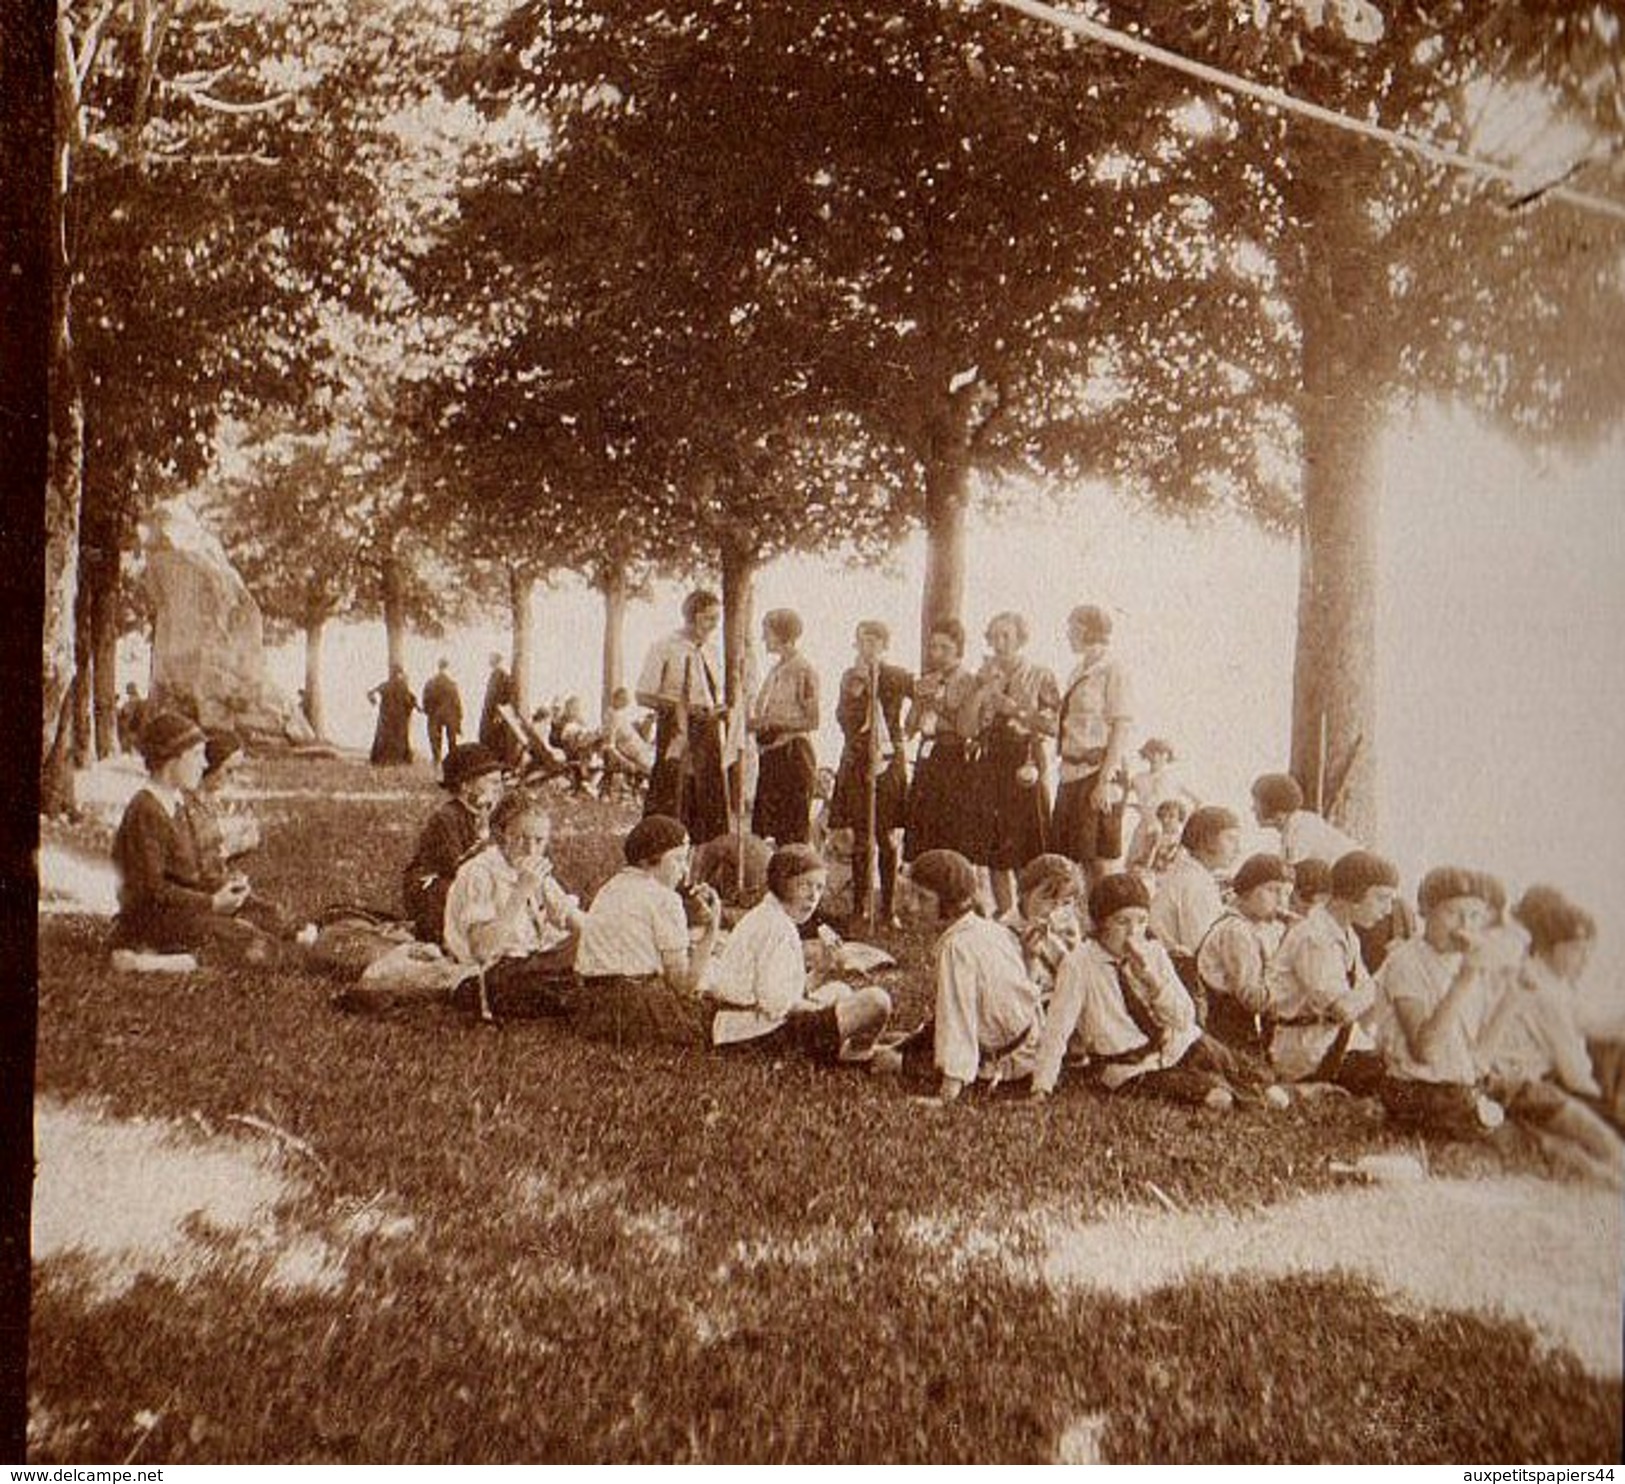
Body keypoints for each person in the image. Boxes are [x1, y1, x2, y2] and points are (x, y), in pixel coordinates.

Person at [1031, 873, 1268, 1108]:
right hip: (1127, 1065)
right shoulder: (1079, 964)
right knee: (1219, 1099)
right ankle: (1209, 1086)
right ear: (1100, 923)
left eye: (1142, 921)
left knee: (1260, 1083)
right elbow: (1057, 1030)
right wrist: (1042, 1086)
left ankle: (1247, 1083)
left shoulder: (1153, 952)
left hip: (1175, 1044)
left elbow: (1184, 1019)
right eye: (1123, 922)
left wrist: (1152, 981)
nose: (1134, 932)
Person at [1476, 886, 1625, 1186]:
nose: (1585, 960)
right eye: (1577, 950)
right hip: (1524, 1085)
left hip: (1532, 1082)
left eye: (1588, 951)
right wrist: (1607, 1105)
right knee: (1605, 1141)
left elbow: (1587, 1021)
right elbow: (1574, 1074)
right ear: (1551, 946)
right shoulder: (1542, 988)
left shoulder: (1551, 979)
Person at [108, 710, 271, 965]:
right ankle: (147, 960)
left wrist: (224, 887)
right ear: (172, 759)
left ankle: (176, 956)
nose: (205, 764)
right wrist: (211, 902)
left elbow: (188, 871)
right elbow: (151, 891)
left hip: (183, 909)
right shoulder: (146, 810)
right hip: (151, 920)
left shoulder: (176, 804)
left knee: (261, 915)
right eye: (196, 755)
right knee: (250, 942)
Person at [708, 844, 894, 1066]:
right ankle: (856, 1055)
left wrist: (822, 969)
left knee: (840, 990)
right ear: (782, 883)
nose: (813, 897)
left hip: (738, 1028)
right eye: (805, 885)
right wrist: (820, 1011)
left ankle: (852, 1048)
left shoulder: (769, 915)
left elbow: (781, 991)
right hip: (753, 1035)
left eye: (819, 887)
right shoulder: (776, 928)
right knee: (876, 1001)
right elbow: (776, 1004)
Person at [1369, 867, 1511, 1138]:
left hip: (1458, 1088)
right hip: (1416, 1092)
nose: (1464, 926)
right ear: (1425, 911)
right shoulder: (1406, 961)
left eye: (1474, 915)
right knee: (1517, 1140)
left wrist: (1511, 1000)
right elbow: (1424, 1052)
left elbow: (1477, 1057)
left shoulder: (1464, 961)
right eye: (1452, 913)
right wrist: (1465, 979)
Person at [899, 849, 1044, 1103]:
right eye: (911, 895)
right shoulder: (988, 928)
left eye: (923, 899)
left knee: (893, 1061)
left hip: (1008, 1060)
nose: (911, 906)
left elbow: (958, 1017)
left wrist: (947, 1094)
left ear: (950, 903)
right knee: (906, 1043)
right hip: (1032, 1041)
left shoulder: (957, 948)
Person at [573, 815, 723, 1044]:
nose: (684, 871)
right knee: (716, 1018)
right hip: (635, 1007)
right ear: (647, 861)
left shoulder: (611, 887)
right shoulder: (665, 899)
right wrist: (711, 928)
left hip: (592, 1008)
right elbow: (682, 985)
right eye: (678, 860)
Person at [1263, 849, 1399, 1091]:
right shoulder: (1315, 937)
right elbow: (1343, 1010)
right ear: (1353, 892)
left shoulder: (1345, 934)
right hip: (1301, 1053)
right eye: (1381, 898)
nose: (1387, 909)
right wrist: (1388, 970)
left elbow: (1366, 1007)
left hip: (1325, 1043)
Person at [444, 791, 587, 1016]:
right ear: (500, 836)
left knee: (589, 946)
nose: (531, 850)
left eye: (539, 841)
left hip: (532, 965)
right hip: (487, 976)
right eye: (521, 838)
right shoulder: (479, 873)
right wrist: (521, 891)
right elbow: (482, 951)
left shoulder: (532, 870)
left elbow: (576, 921)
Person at [973, 611, 1060, 917]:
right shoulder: (983, 674)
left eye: (1005, 636)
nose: (999, 643)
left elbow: (1053, 726)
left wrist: (1016, 710)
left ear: (1020, 639)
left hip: (1026, 761)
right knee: (996, 845)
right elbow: (972, 723)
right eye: (993, 636)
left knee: (1029, 842)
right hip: (991, 761)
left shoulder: (1040, 675)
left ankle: (1033, 914)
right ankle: (1006, 914)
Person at [827, 621, 912, 928]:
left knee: (887, 835)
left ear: (884, 644)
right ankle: (860, 904)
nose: (868, 647)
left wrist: (908, 731)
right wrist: (856, 690)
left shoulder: (897, 676)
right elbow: (842, 718)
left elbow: (922, 699)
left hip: (888, 758)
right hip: (858, 758)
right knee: (861, 836)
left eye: (875, 641)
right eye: (863, 641)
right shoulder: (850, 677)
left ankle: (888, 907)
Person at [637, 591, 729, 846]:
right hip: (676, 727)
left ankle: (704, 852)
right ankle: (664, 846)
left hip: (708, 730)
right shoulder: (664, 647)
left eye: (716, 619)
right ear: (692, 617)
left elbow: (711, 693)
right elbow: (643, 694)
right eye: (709, 619)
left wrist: (718, 710)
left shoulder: (711, 650)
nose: (713, 626)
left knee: (707, 794)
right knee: (673, 790)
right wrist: (681, 707)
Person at [1050, 605, 1131, 890]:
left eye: (1071, 628)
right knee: (1073, 855)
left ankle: (1108, 913)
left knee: (1097, 858)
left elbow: (1121, 726)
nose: (1068, 634)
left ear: (1086, 629)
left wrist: (1104, 781)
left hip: (1098, 771)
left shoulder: (1113, 669)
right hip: (1071, 771)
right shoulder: (1077, 671)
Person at [182, 729, 291, 940]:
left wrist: (233, 863)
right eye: (228, 771)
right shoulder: (187, 804)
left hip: (217, 887)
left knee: (272, 913)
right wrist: (232, 848)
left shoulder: (208, 801)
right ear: (210, 766)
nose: (232, 778)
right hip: (198, 897)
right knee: (259, 929)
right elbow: (192, 863)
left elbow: (213, 856)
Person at [402, 742, 505, 945]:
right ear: (466, 786)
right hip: (432, 885)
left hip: (466, 879)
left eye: (500, 783)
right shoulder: (446, 818)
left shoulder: (486, 816)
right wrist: (484, 840)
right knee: (460, 893)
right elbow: (454, 865)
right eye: (492, 783)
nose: (498, 789)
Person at [1148, 805, 1244, 1018]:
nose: (1238, 848)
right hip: (1182, 983)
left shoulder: (1192, 874)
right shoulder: (1195, 883)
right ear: (1208, 840)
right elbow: (1205, 953)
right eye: (1231, 839)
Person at [1196, 853, 1295, 1056]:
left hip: (1237, 1031)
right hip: (1227, 1039)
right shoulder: (1236, 932)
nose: (1281, 901)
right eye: (1273, 890)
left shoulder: (1250, 927)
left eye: (1286, 893)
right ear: (1247, 888)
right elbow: (1255, 1001)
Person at [903, 618, 984, 863]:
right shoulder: (928, 678)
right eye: (933, 647)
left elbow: (966, 728)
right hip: (926, 752)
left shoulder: (968, 681)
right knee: (922, 825)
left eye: (944, 648)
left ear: (958, 649)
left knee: (949, 828)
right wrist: (918, 699)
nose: (936, 653)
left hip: (953, 756)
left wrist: (937, 705)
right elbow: (910, 726)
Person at [748, 609, 820, 846]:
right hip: (771, 754)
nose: (763, 639)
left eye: (767, 633)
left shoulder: (804, 670)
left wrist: (773, 723)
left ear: (782, 635)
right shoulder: (775, 670)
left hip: (794, 754)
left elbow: (812, 720)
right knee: (766, 826)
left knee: (792, 829)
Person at [1007, 853, 1086, 1003]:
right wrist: (1029, 959)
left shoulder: (1069, 922)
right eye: (1047, 898)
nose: (1056, 908)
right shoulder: (1004, 933)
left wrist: (1074, 950)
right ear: (1023, 893)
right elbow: (1014, 998)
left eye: (1066, 902)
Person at [1123, 738, 1200, 872]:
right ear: (1147, 754)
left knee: (1165, 866)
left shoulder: (1175, 777)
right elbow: (1123, 796)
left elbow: (1197, 801)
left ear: (1168, 756)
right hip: (1145, 827)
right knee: (1137, 865)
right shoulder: (1138, 778)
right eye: (1153, 752)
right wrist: (1135, 807)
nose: (1157, 757)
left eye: (1162, 753)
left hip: (1168, 829)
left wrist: (1185, 822)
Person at [1249, 773, 1358, 866]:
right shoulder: (1297, 824)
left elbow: (1294, 879)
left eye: (1257, 803)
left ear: (1275, 806)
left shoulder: (1301, 833)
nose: (1253, 809)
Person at [1127, 797, 1190, 883]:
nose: (1165, 820)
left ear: (1180, 820)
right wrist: (1154, 846)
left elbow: (1175, 870)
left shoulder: (1181, 844)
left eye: (1171, 816)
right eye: (1163, 816)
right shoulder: (1153, 835)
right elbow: (1143, 861)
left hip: (1165, 880)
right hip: (1146, 874)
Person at [367, 664, 418, 766]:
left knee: (385, 738)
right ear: (399, 674)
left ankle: (383, 760)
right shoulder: (403, 686)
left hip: (386, 718)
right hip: (399, 718)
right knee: (399, 738)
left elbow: (370, 693)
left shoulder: (386, 685)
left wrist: (373, 702)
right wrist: (414, 707)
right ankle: (398, 759)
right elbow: (410, 701)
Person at [478, 652, 521, 767]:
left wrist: (499, 715)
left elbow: (505, 698)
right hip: (492, 716)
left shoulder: (501, 676)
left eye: (492, 660)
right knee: (491, 742)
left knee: (496, 743)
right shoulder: (496, 675)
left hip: (497, 717)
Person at [421, 658, 463, 769]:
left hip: (435, 715)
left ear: (438, 667)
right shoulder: (452, 684)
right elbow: (457, 702)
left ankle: (437, 760)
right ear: (447, 667)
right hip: (450, 716)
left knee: (435, 739)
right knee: (451, 740)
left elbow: (425, 699)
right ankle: (453, 762)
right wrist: (459, 718)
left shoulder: (430, 682)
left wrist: (428, 711)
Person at [116, 683, 147, 755]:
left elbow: (124, 713)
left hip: (132, 730)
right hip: (135, 730)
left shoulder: (132, 702)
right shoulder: (137, 702)